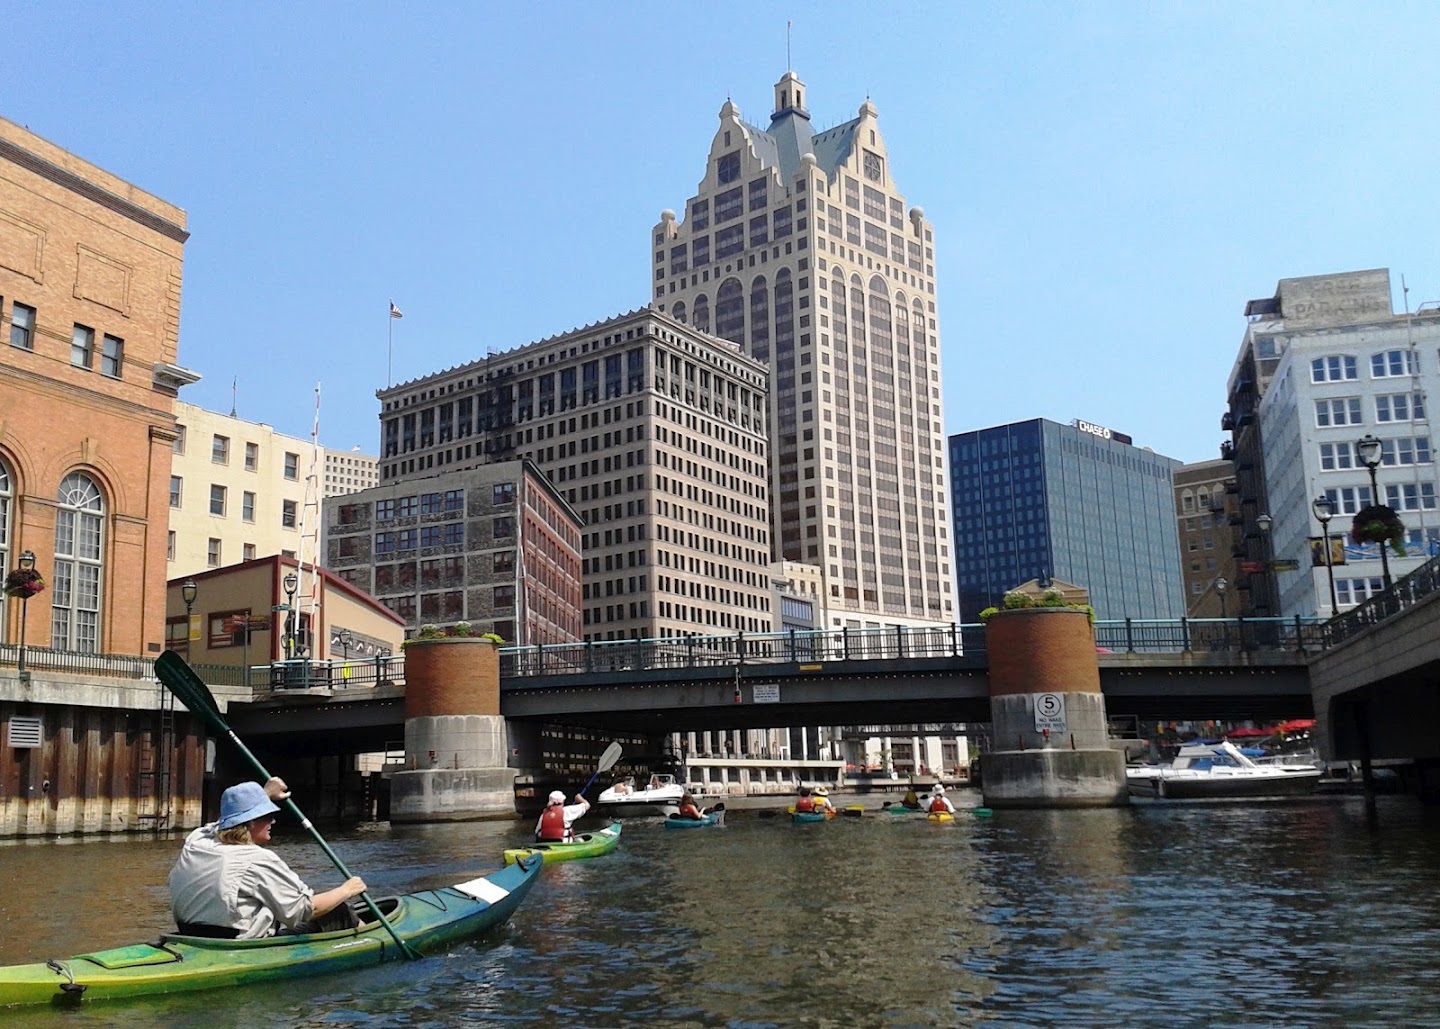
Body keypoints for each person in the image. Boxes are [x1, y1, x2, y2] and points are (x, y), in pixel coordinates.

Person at [169, 777, 367, 940]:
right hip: (238, 944)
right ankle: (370, 939)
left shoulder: (198, 839)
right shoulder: (258, 859)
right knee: (338, 910)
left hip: (191, 936)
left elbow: (219, 824)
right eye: (266, 815)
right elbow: (303, 910)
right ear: (250, 823)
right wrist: (347, 890)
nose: (273, 820)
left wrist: (263, 795)